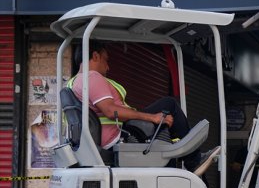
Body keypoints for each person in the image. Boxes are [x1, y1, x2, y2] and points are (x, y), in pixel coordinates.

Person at [69, 41, 218, 175]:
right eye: (106, 60)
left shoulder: (72, 83)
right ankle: (194, 161)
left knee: (166, 144)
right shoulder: (92, 77)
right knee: (169, 104)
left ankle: (191, 162)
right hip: (120, 135)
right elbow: (110, 110)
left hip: (111, 137)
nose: (108, 67)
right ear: (95, 56)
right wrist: (152, 117)